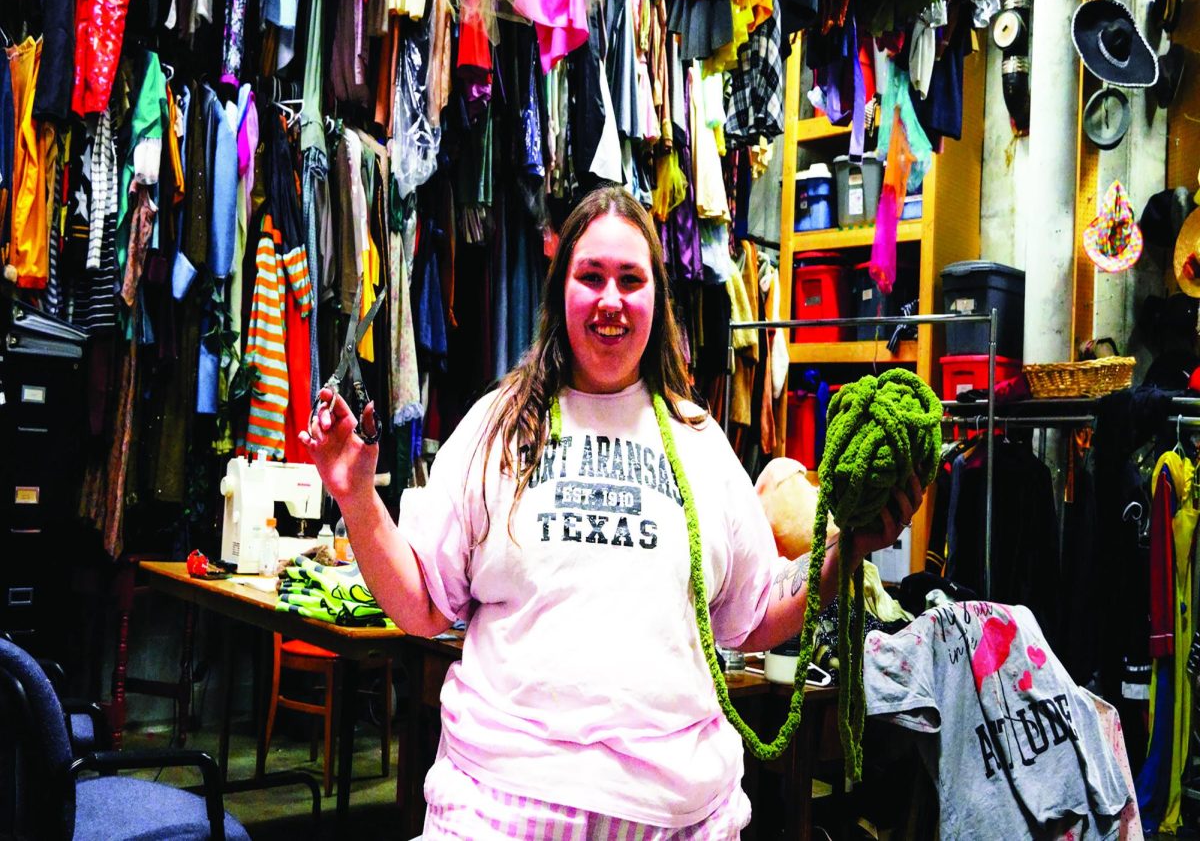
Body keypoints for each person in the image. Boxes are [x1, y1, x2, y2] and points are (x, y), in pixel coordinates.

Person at [300, 184, 923, 839]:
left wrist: (841, 557)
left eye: (631, 279)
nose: (610, 300)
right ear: (559, 289)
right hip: (503, 805)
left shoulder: (702, 447)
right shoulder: (498, 428)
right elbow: (422, 606)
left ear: (657, 295)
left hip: (678, 817)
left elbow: (751, 621)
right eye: (590, 276)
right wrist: (357, 497)